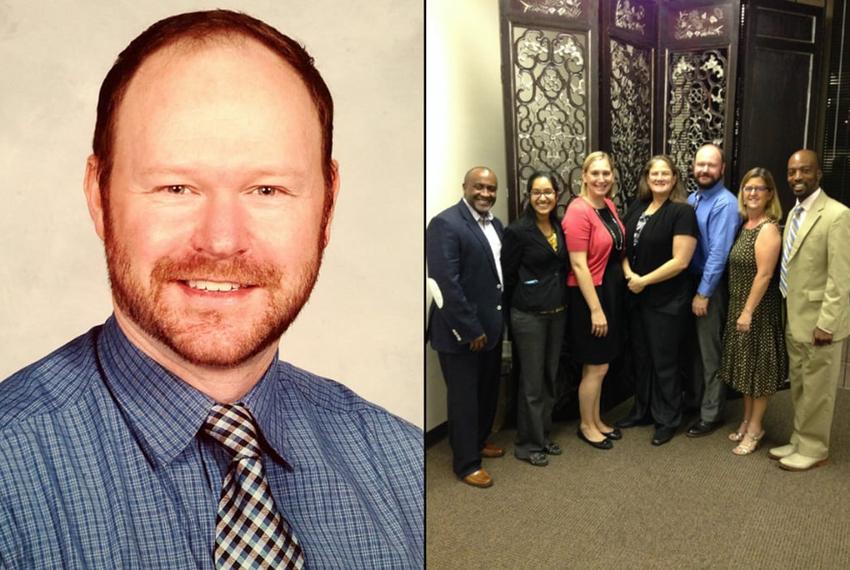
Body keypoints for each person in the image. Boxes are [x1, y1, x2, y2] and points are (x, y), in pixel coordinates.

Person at [0, 11, 422, 569]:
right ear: (98, 198)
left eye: (267, 189)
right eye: (176, 186)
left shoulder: (403, 464)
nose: (222, 241)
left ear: (328, 204)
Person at [769, 149, 850, 471]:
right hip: (796, 314)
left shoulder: (837, 214)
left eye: (804, 171)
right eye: (792, 172)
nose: (797, 177)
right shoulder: (795, 212)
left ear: (818, 174)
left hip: (820, 321)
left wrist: (828, 323)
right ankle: (801, 438)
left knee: (819, 387)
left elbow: (841, 277)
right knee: (802, 382)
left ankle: (815, 448)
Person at [426, 166, 505, 488]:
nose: (485, 193)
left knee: (487, 391)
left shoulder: (496, 225)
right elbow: (444, 282)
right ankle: (466, 463)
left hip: (491, 326)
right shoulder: (445, 223)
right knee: (464, 398)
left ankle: (479, 441)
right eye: (479, 187)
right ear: (465, 187)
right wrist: (470, 329)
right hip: (461, 332)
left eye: (491, 188)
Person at [617, 155, 697, 446]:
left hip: (667, 301)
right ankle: (642, 411)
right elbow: (622, 246)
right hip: (636, 298)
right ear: (646, 178)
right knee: (641, 358)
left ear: (674, 178)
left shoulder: (682, 212)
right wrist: (629, 275)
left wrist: (643, 281)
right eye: (655, 174)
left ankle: (667, 419)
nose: (660, 178)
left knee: (665, 362)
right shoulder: (637, 207)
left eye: (666, 174)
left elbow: (681, 261)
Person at [501, 171, 568, 467]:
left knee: (549, 378)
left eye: (549, 192)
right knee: (531, 383)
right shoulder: (518, 231)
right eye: (537, 192)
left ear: (557, 195)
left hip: (557, 313)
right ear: (528, 196)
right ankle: (527, 444)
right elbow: (509, 275)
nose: (543, 198)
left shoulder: (558, 226)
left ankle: (542, 434)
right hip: (528, 316)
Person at [717, 168, 786, 455]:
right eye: (748, 188)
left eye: (759, 188)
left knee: (760, 371)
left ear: (770, 194)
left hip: (757, 311)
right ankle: (747, 419)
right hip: (740, 306)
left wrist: (747, 311)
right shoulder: (745, 224)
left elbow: (765, 275)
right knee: (746, 370)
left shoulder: (768, 228)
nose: (753, 193)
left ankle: (756, 427)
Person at [563, 151, 626, 450]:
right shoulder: (578, 211)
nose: (601, 179)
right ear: (584, 177)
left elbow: (616, 251)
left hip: (609, 292)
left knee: (602, 366)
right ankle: (586, 425)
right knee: (594, 366)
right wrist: (596, 310)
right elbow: (578, 264)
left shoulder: (608, 206)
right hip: (589, 296)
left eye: (606, 173)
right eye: (595, 173)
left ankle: (597, 419)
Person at [685, 144, 742, 438]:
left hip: (710, 285)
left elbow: (719, 254)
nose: (705, 170)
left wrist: (703, 293)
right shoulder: (693, 199)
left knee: (710, 353)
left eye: (711, 165)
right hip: (689, 283)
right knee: (694, 350)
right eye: (700, 164)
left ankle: (711, 413)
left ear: (721, 169)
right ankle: (696, 400)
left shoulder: (725, 203)